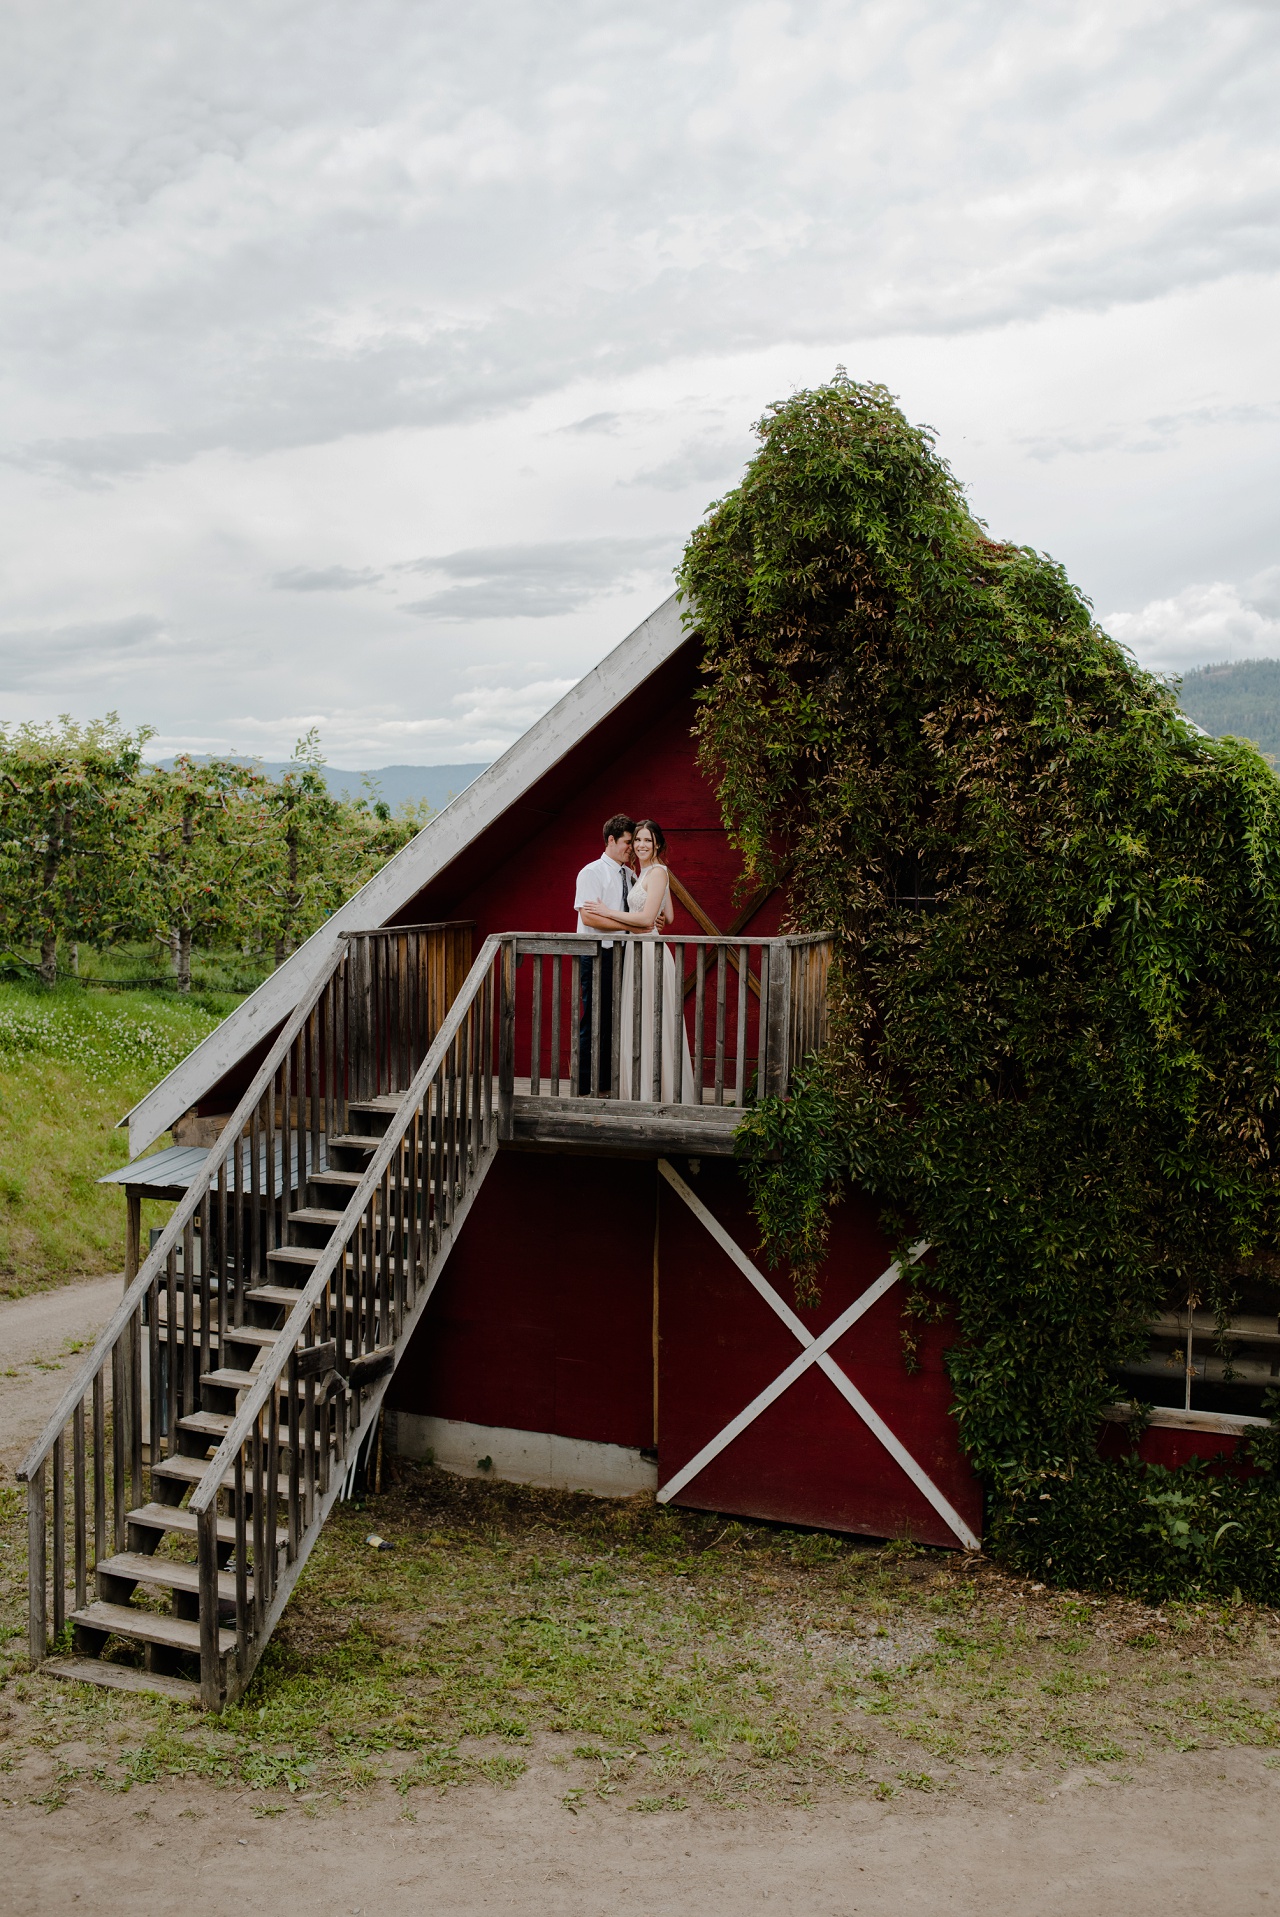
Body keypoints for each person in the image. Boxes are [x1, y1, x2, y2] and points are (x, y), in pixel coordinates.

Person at [581, 818, 695, 1104]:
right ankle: (629, 1087)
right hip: (631, 951)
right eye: (636, 841)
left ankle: (658, 1090)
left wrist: (610, 912)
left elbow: (646, 920)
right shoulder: (636, 874)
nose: (639, 846)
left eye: (646, 840)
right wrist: (652, 920)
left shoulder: (654, 872)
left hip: (647, 951)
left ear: (658, 843)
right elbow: (667, 916)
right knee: (634, 1019)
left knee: (655, 1018)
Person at [573, 813, 635, 1093]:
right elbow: (589, 919)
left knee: (617, 1020)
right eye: (627, 842)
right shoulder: (591, 872)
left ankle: (609, 1083)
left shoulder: (630, 875)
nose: (630, 848)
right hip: (597, 955)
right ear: (611, 840)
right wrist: (629, 924)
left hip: (624, 955)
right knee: (594, 1020)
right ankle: (586, 1086)